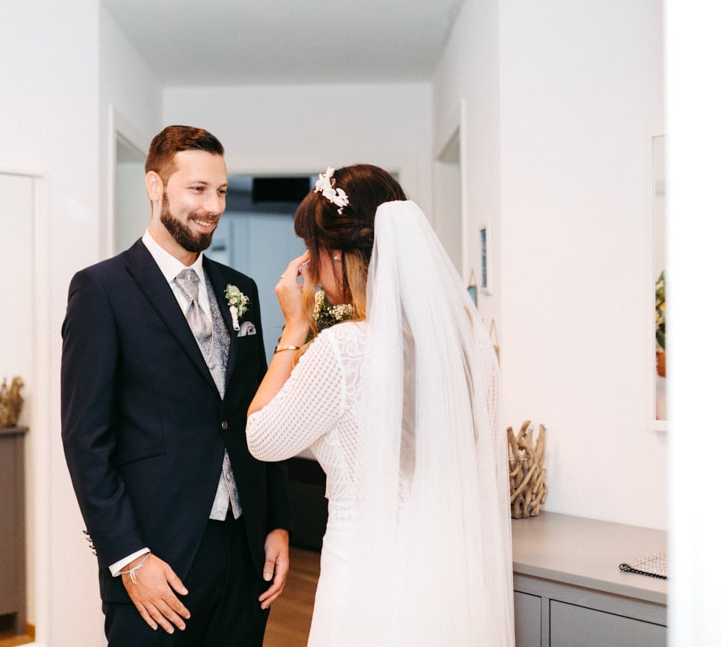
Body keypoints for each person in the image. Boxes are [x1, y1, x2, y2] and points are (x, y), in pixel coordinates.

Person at [246, 165, 515, 646]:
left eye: (312, 249)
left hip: (368, 578)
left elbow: (261, 438)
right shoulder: (472, 350)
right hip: (449, 578)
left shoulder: (345, 349)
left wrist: (294, 327)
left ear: (335, 254)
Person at [61, 125, 291, 646]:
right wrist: (130, 558)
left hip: (244, 548)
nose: (214, 206)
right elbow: (84, 439)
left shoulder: (241, 290)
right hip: (157, 555)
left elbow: (259, 414)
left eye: (223, 191)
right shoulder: (101, 289)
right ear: (154, 186)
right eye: (198, 189)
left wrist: (276, 522)